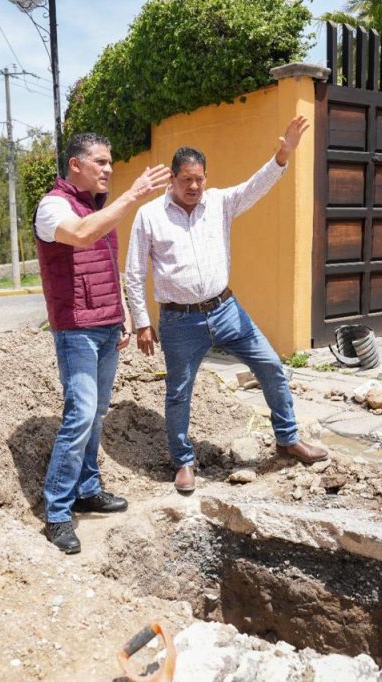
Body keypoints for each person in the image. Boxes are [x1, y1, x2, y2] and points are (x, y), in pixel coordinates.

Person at [124, 116, 328, 494]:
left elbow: (255, 187)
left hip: (226, 310)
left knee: (270, 365)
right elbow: (134, 273)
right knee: (179, 392)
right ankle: (183, 462)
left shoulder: (219, 202)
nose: (194, 186)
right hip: (179, 321)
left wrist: (283, 155)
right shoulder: (149, 216)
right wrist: (141, 322)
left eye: (200, 179)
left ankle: (287, 439)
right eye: (186, 179)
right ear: (172, 179)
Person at [33, 132, 171, 554]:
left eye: (110, 162)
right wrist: (132, 196)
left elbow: (108, 265)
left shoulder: (98, 207)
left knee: (96, 415)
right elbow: (79, 235)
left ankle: (87, 489)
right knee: (79, 416)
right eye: (101, 162)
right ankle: (57, 512)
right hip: (76, 329)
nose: (109, 169)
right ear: (76, 164)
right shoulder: (53, 206)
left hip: (107, 326)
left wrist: (123, 313)